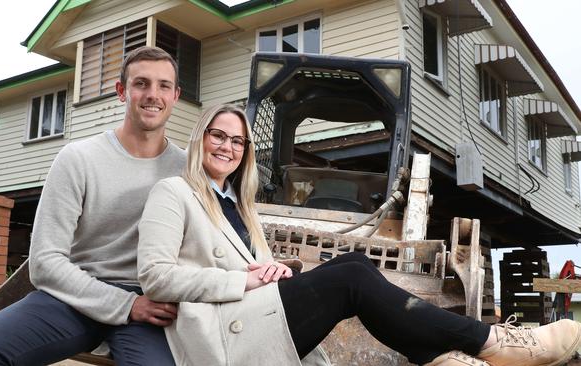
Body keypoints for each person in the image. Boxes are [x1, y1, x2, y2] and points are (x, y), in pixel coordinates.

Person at [137, 103, 581, 366]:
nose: (227, 147)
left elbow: (255, 266)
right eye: (218, 135)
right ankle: (493, 342)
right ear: (200, 139)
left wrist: (276, 267)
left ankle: (444, 357)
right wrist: (244, 280)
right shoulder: (173, 192)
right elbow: (155, 276)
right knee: (350, 279)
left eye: (238, 141)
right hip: (220, 339)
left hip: (250, 315)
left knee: (355, 264)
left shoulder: (239, 204)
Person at [0, 46, 185, 366]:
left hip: (150, 302)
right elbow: (45, 261)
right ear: (122, 91)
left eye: (163, 86)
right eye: (141, 83)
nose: (152, 94)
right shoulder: (79, 158)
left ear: (175, 96)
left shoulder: (189, 169)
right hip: (77, 295)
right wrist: (124, 304)